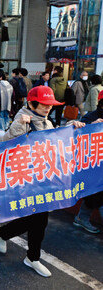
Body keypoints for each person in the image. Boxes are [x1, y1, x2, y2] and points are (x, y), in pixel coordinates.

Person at [0, 86, 84, 278]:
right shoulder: (22, 119)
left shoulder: (46, 121)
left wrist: (70, 128)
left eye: (50, 104)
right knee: (38, 219)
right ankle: (27, 253)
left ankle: (10, 239)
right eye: (44, 104)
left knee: (38, 220)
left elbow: (53, 141)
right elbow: (4, 143)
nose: (48, 108)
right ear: (32, 103)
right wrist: (19, 126)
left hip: (42, 179)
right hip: (24, 179)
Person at [72, 90, 103, 233]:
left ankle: (81, 218)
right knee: (95, 195)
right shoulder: (91, 118)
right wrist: (92, 127)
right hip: (92, 166)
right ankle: (81, 218)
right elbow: (73, 133)